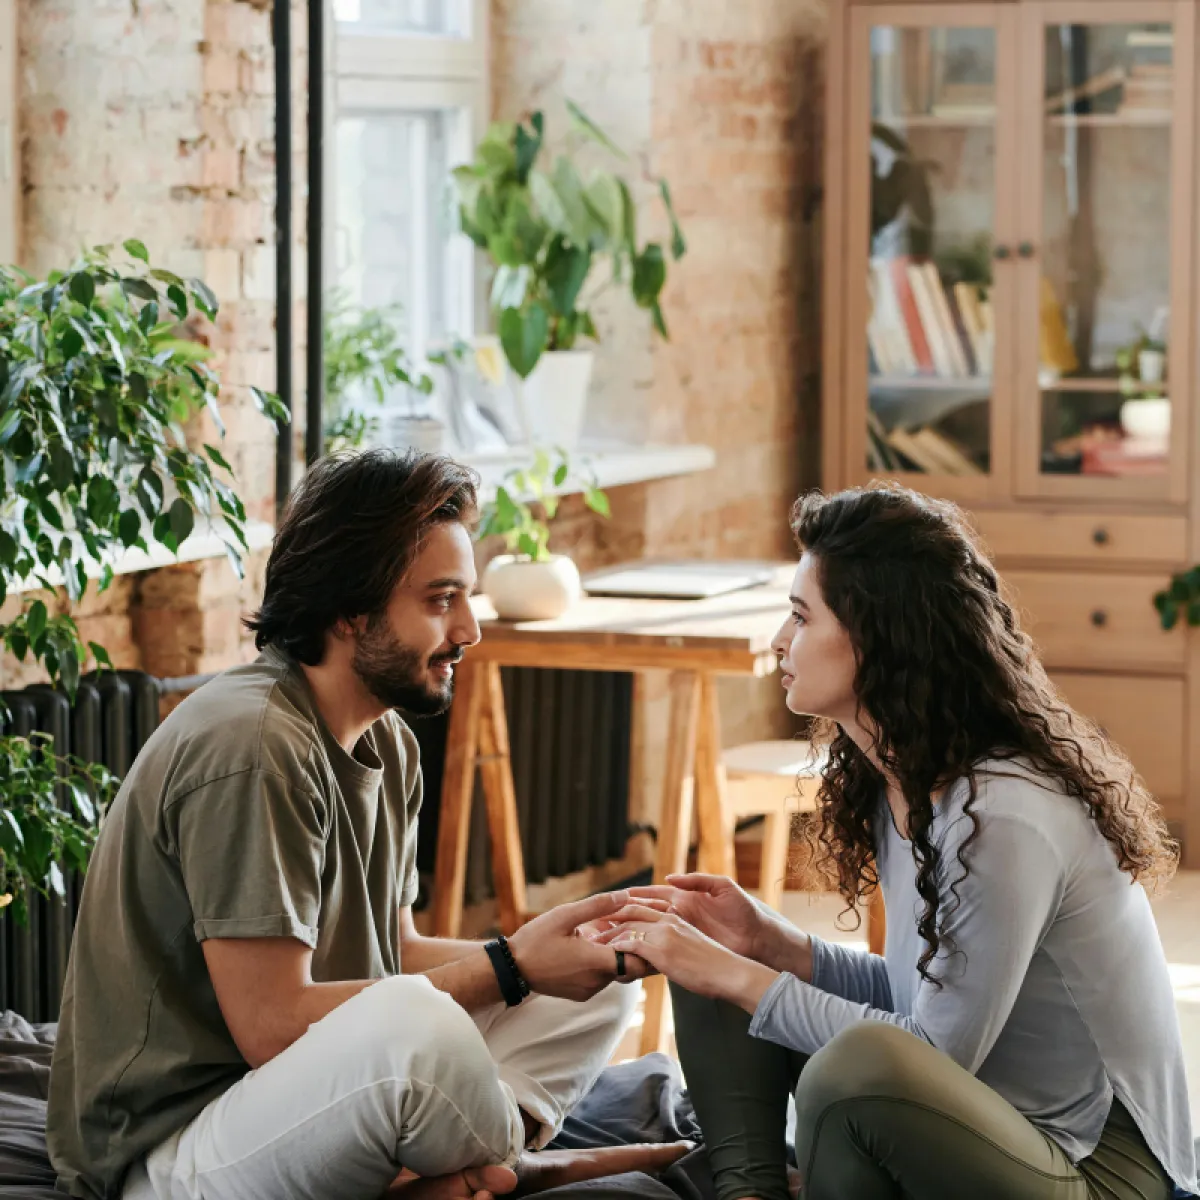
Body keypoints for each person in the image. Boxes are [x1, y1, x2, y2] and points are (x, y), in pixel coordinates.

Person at [48, 450, 687, 1200]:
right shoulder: (255, 745)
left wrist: (554, 954)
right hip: (170, 1149)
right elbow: (273, 1024)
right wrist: (510, 965)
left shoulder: (387, 741)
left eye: (467, 597)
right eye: (441, 599)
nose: (469, 630)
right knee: (420, 1021)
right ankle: (508, 1168)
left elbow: (398, 950)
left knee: (601, 983)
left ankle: (469, 1170)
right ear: (350, 610)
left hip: (293, 1096)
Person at [595, 483, 1198, 1200]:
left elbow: (931, 1053)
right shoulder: (902, 782)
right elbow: (929, 1006)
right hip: (987, 1123)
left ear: (877, 637)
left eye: (800, 616)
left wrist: (744, 977)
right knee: (715, 956)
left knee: (843, 1064)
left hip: (1096, 1170)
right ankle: (747, 1192)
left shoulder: (1001, 811)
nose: (780, 642)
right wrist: (770, 946)